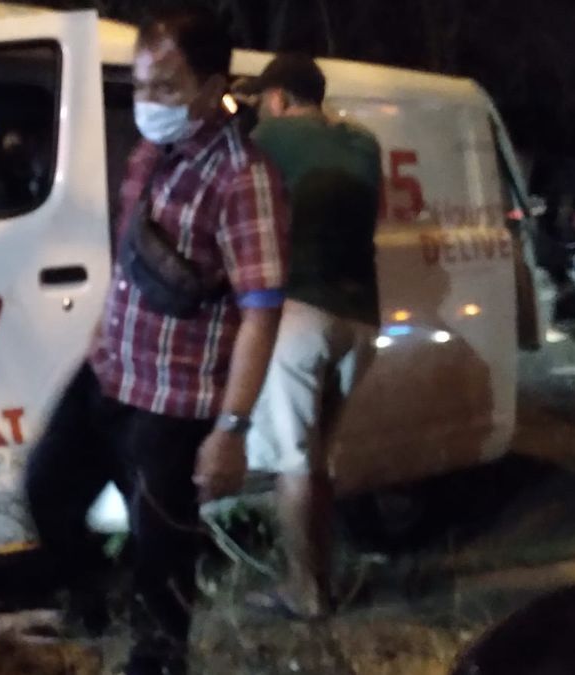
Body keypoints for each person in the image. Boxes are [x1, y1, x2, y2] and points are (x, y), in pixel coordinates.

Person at [24, 11, 288, 675]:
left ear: (212, 85)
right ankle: (92, 603)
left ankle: (158, 662)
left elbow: (261, 310)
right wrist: (100, 332)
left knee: (163, 560)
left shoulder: (241, 177)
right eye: (142, 85)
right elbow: (133, 260)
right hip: (110, 375)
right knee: (47, 489)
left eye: (167, 87)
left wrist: (230, 428)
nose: (150, 103)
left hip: (175, 402)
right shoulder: (153, 156)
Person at [239, 54, 383, 619]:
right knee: (317, 456)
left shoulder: (266, 136)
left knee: (292, 462)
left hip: (299, 314)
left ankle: (305, 592)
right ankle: (318, 579)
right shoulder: (363, 143)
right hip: (361, 317)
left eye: (259, 100)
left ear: (277, 98)